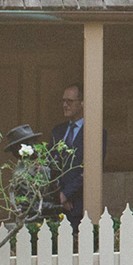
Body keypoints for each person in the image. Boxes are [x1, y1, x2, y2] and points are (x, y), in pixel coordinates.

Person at [50, 84, 87, 223]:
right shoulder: (58, 131)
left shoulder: (95, 132)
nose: (65, 105)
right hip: (55, 206)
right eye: (63, 101)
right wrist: (57, 195)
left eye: (69, 101)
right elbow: (50, 164)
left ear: (82, 103)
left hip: (78, 207)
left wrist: (66, 194)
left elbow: (89, 170)